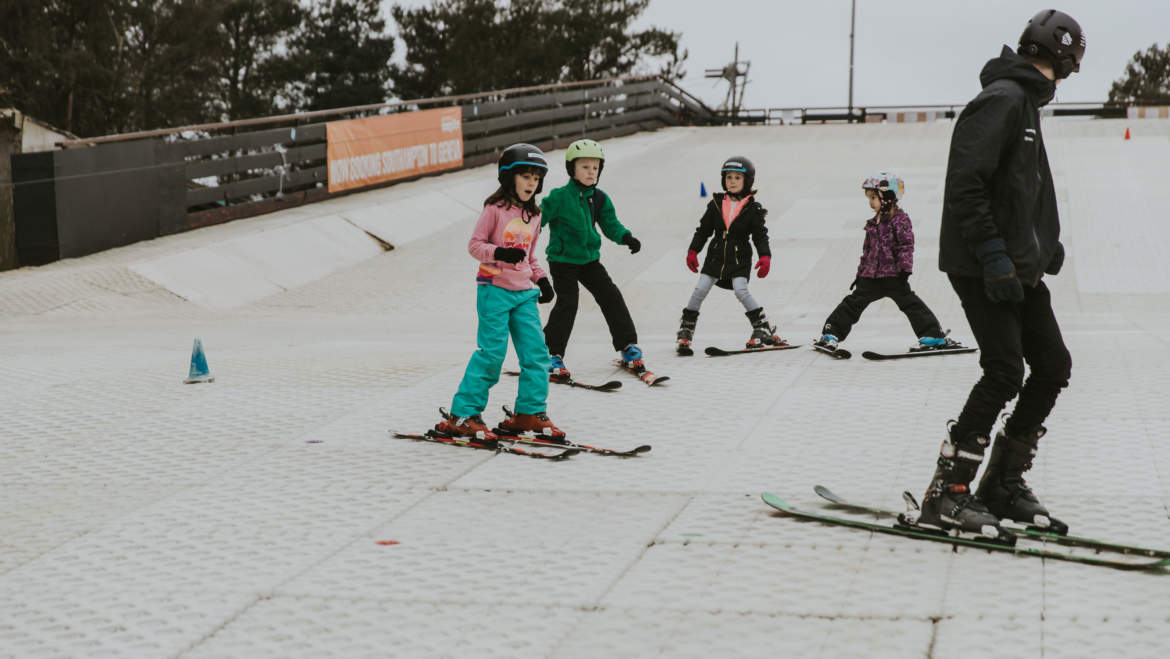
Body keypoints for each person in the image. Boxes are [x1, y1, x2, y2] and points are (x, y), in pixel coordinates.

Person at [918, 9, 1084, 538]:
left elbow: (1024, 190)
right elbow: (967, 185)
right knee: (1004, 371)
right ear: (1065, 57)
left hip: (1017, 266)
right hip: (983, 265)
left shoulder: (1024, 105)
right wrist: (993, 256)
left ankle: (1002, 484)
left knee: (1053, 364)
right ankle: (948, 492)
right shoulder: (1004, 101)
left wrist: (1045, 247)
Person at [435, 143, 566, 442]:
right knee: (492, 355)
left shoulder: (535, 214)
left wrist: (542, 279)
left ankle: (528, 414)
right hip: (494, 290)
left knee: (537, 356)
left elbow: (530, 257)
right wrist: (500, 253)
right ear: (509, 178)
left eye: (536, 178)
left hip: (524, 295)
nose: (531, 184)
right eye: (525, 177)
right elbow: (475, 246)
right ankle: (463, 415)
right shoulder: (494, 210)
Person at [814, 172, 957, 351]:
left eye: (873, 197)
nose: (870, 202)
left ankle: (932, 335)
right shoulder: (873, 222)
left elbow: (906, 245)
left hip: (893, 275)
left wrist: (905, 269)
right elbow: (867, 251)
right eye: (869, 198)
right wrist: (860, 273)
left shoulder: (900, 220)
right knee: (852, 303)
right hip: (871, 276)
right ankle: (832, 333)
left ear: (887, 198)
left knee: (911, 304)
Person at [540, 138, 645, 377]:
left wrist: (626, 237)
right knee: (568, 303)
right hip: (562, 261)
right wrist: (524, 236)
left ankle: (628, 346)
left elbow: (611, 225)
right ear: (572, 169)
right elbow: (538, 219)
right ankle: (550, 353)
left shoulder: (599, 198)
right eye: (585, 166)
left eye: (595, 167)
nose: (591, 172)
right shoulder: (558, 197)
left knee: (611, 296)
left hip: (589, 261)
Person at [676, 156, 782, 354]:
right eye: (729, 177)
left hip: (739, 257)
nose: (732, 181)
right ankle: (686, 327)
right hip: (715, 256)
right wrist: (693, 251)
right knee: (700, 289)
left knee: (741, 290)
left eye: (737, 178)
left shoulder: (753, 208)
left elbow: (760, 236)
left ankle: (762, 325)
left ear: (747, 181)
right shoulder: (716, 204)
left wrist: (765, 256)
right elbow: (703, 230)